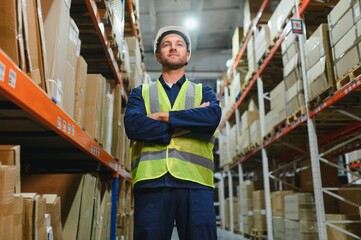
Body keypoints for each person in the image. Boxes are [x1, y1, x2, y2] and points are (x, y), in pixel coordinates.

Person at [124, 25, 222, 240]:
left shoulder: (203, 91)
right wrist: (188, 123)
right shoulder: (141, 93)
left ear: (187, 54)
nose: (173, 48)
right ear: (159, 55)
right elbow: (133, 126)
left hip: (195, 182)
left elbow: (212, 118)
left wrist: (161, 116)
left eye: (179, 44)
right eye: (166, 44)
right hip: (152, 182)